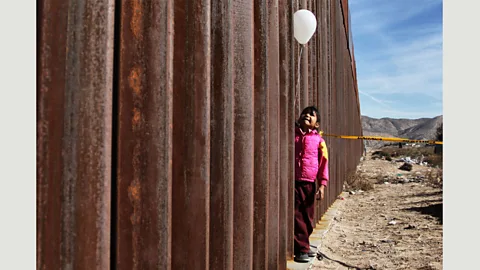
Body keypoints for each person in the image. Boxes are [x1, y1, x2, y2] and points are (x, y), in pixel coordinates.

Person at [294, 106, 329, 263]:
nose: (307, 115)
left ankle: (304, 244)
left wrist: (322, 184)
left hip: (309, 183)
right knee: (297, 215)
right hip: (294, 182)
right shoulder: (293, 135)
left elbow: (324, 163)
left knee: (308, 217)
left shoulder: (319, 141)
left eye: (312, 115)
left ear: (317, 124)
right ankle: (301, 249)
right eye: (305, 113)